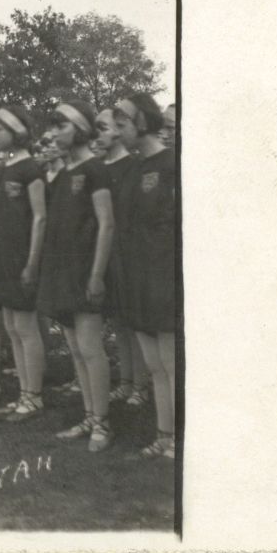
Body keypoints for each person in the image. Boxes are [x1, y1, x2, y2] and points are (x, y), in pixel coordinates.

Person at [37, 101, 116, 452]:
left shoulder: (96, 170)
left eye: (62, 127)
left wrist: (97, 275)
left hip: (86, 271)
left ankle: (102, 423)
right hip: (63, 271)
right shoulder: (65, 173)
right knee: (75, 349)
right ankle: (89, 416)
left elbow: (106, 224)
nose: (54, 133)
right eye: (53, 127)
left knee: (89, 347)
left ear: (81, 130)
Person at [113, 93, 178, 460]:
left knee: (170, 364)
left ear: (141, 123)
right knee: (154, 366)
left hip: (163, 278)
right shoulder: (134, 169)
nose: (119, 131)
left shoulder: (172, 165)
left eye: (122, 124)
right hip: (137, 277)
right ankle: (163, 434)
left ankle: (177, 439)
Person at [0, 105, 48, 422]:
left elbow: (40, 217)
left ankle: (34, 396)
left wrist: (32, 263)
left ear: (17, 131)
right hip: (1, 258)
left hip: (22, 258)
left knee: (25, 326)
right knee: (11, 327)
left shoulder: (31, 169)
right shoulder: (4, 170)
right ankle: (24, 392)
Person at [95, 107, 150, 406]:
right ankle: (126, 380)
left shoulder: (133, 165)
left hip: (128, 251)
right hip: (108, 251)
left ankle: (140, 384)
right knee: (118, 321)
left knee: (133, 322)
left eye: (104, 128)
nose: (100, 134)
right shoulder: (100, 168)